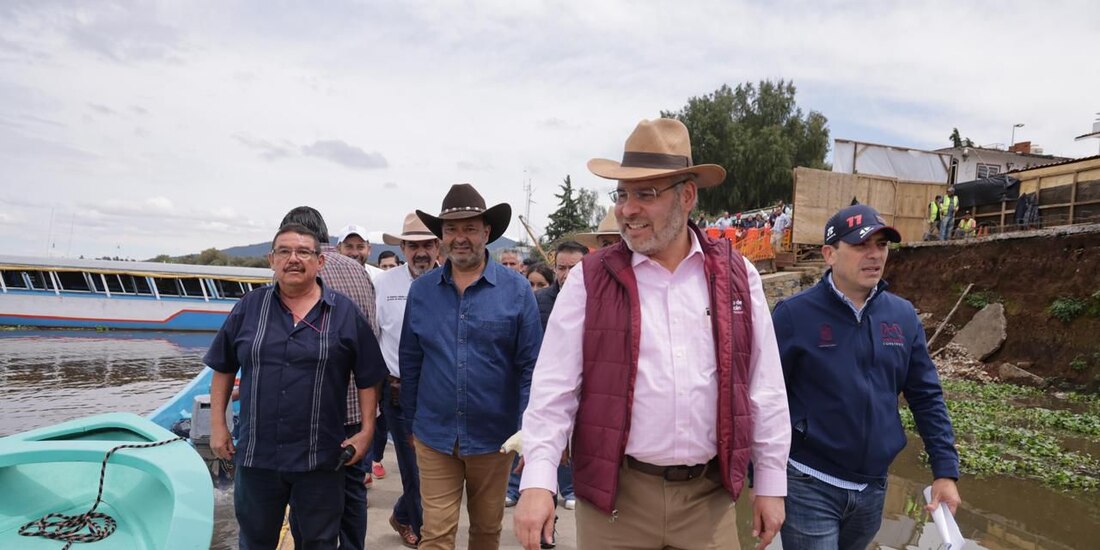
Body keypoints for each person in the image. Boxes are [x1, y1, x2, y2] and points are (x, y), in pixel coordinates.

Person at [514, 118, 791, 550]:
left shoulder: (738, 275)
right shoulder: (590, 279)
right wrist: (537, 481)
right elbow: (554, 388)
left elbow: (764, 387)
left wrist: (771, 480)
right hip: (615, 500)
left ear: (687, 196)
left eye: (646, 194)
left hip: (708, 502)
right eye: (622, 195)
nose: (627, 209)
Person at [772, 204, 961, 549]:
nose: (874, 255)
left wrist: (945, 471)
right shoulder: (794, 316)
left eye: (882, 245)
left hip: (873, 488)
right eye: (861, 245)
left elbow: (926, 396)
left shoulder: (902, 316)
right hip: (808, 482)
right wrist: (763, 481)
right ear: (829, 254)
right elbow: (766, 399)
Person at [207, 223, 387, 550]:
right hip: (257, 456)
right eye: (284, 251)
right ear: (271, 260)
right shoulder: (249, 308)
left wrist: (366, 431)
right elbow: (223, 367)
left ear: (320, 261)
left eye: (304, 252)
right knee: (255, 541)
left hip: (319, 458)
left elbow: (368, 375)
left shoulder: (344, 312)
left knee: (318, 542)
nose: (293, 259)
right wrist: (217, 425)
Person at [401, 183, 543, 549]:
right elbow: (411, 361)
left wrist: (527, 428)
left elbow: (530, 366)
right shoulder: (422, 291)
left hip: (494, 438)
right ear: (442, 236)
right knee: (436, 533)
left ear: (487, 232)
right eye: (451, 229)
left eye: (470, 228)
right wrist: (410, 423)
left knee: (486, 530)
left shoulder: (517, 290)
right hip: (434, 435)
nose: (460, 237)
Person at [278, 207, 381, 550]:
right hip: (358, 407)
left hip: (313, 411)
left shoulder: (293, 273)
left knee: (305, 494)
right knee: (352, 492)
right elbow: (372, 331)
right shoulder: (358, 270)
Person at [373, 212, 443, 548]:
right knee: (415, 469)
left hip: (442, 392)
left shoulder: (451, 281)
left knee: (441, 470)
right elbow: (373, 336)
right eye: (413, 245)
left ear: (438, 246)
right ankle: (421, 529)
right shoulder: (384, 284)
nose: (421, 252)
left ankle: (403, 512)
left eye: (427, 244)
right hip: (399, 393)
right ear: (402, 248)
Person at [505, 241, 588, 517]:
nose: (567, 274)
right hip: (540, 382)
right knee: (530, 438)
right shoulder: (538, 301)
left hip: (583, 385)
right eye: (561, 268)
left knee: (571, 442)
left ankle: (570, 489)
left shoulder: (597, 298)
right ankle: (517, 488)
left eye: (574, 268)